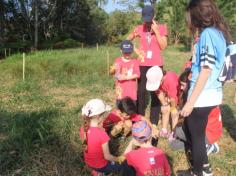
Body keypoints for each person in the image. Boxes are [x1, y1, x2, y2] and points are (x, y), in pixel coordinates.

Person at [180, 0, 231, 175]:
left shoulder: (208, 34)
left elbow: (206, 70)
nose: (190, 21)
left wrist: (190, 102)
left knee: (197, 138)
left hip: (202, 96)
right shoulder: (220, 32)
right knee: (198, 135)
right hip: (213, 92)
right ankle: (205, 168)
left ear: (198, 15)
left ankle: (197, 173)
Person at [127, 5, 168, 128]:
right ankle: (140, 119)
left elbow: (163, 46)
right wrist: (136, 51)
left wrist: (156, 31)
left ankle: (154, 121)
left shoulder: (162, 28)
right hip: (142, 64)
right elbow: (127, 40)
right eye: (145, 18)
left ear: (154, 15)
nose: (147, 20)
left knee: (155, 92)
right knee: (141, 92)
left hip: (156, 65)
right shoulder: (139, 28)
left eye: (149, 17)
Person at [80, 99, 124, 175]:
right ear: (99, 116)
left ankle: (93, 170)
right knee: (124, 166)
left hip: (88, 162)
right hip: (101, 165)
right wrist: (118, 159)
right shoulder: (102, 134)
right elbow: (107, 156)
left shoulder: (83, 128)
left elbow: (85, 146)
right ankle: (100, 172)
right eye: (104, 113)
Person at [146, 66, 179, 138]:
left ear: (161, 79)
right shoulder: (155, 79)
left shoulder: (171, 80)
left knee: (174, 113)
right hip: (168, 94)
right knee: (165, 109)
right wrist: (164, 103)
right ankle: (164, 130)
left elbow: (173, 98)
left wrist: (173, 108)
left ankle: (174, 133)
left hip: (177, 94)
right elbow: (158, 92)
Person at [110, 40, 140, 107]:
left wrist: (126, 77)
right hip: (120, 93)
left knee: (131, 112)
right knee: (120, 112)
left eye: (129, 52)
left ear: (132, 51)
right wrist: (116, 74)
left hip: (131, 94)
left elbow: (137, 74)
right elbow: (117, 74)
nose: (127, 54)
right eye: (125, 52)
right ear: (121, 51)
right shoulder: (118, 60)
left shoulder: (135, 61)